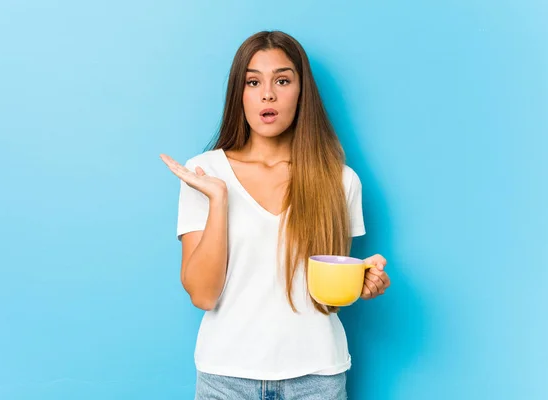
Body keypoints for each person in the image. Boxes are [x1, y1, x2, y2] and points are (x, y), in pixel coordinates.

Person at [160, 30, 391, 400]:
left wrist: (360, 281)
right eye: (254, 81)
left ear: (302, 93)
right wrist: (219, 200)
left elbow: (324, 297)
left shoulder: (338, 180)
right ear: (240, 93)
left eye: (282, 80)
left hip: (317, 377)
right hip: (225, 378)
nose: (268, 93)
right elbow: (203, 295)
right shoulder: (204, 173)